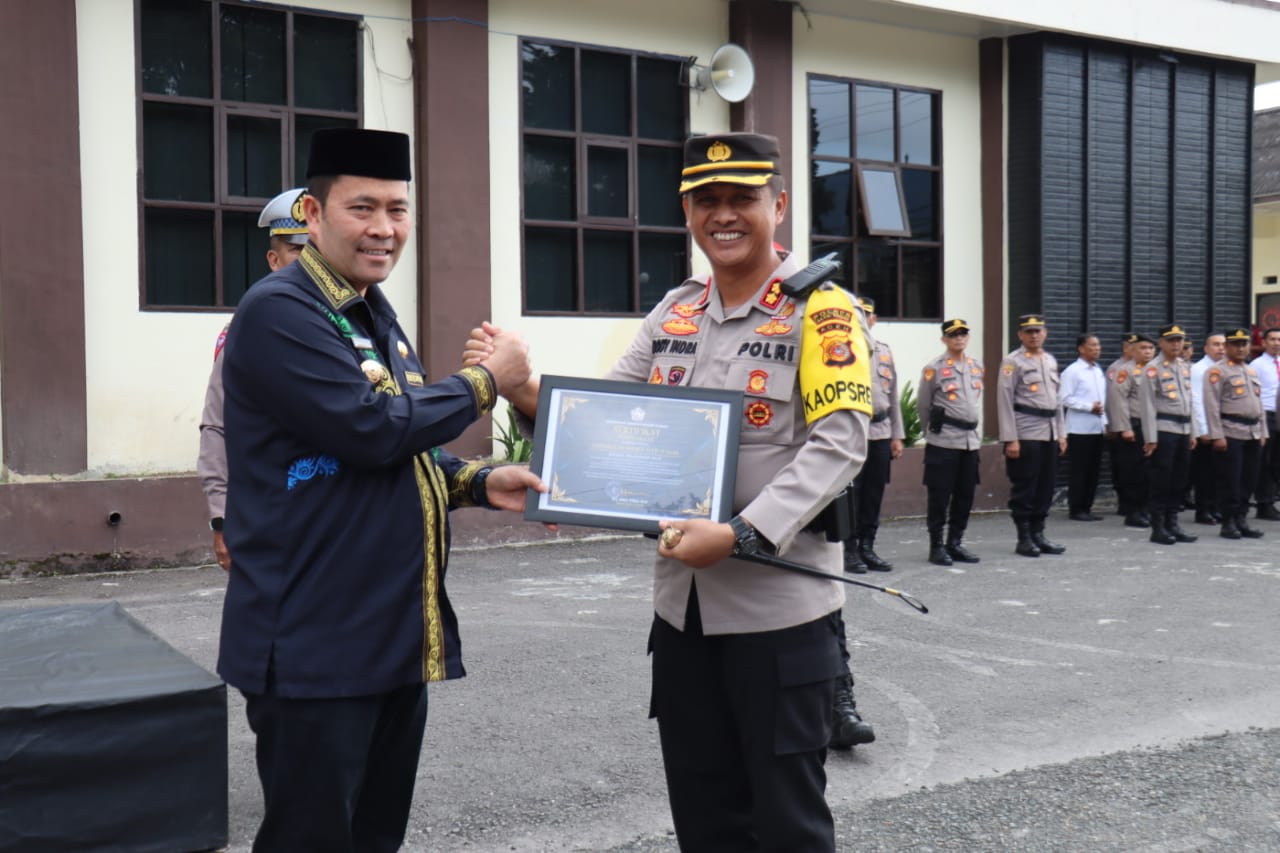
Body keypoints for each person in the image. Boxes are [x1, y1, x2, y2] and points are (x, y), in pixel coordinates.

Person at [469, 132, 873, 851]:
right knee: (704, 809)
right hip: (682, 614)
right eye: (706, 200)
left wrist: (744, 531)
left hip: (778, 616)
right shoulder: (674, 313)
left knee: (788, 823)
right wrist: (519, 382)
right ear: (688, 211)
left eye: (742, 199)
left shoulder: (823, 311)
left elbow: (841, 442)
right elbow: (605, 414)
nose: (724, 214)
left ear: (777, 205)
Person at [217, 128, 545, 852]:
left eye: (397, 210)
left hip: (387, 640)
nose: (383, 229)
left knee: (373, 838)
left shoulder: (371, 312)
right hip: (315, 646)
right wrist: (490, 380)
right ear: (312, 212)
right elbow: (373, 427)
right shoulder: (281, 310)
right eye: (361, 207)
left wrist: (482, 481)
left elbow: (395, 453)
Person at [198, 187, 309, 572]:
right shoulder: (249, 330)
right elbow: (217, 425)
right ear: (274, 259)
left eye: (318, 249)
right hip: (272, 517)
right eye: (297, 250)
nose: (309, 262)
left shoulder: (356, 329)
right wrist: (221, 517)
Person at [997, 314, 1066, 557]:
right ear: (1020, 335)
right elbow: (1004, 401)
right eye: (1029, 331)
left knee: (1045, 486)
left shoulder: (1049, 360)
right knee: (1025, 485)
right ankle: (1024, 537)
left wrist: (1061, 432)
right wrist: (1010, 438)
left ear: (1045, 333)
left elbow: (1057, 400)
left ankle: (1039, 533)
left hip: (1049, 432)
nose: (1034, 335)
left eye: (1038, 331)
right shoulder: (1012, 362)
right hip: (1026, 432)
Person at [842, 295, 903, 572]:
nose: (863, 318)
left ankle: (868, 547)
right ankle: (849, 550)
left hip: (880, 431)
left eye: (867, 314)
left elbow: (893, 398)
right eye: (858, 313)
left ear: (874, 319)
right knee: (852, 494)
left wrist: (897, 435)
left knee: (874, 493)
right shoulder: (841, 349)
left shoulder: (885, 350)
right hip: (854, 431)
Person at [917, 318, 984, 565]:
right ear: (944, 339)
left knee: (965, 495)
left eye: (963, 334)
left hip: (970, 442)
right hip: (944, 442)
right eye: (953, 335)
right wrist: (932, 434)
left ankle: (955, 542)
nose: (959, 338)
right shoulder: (933, 368)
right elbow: (923, 406)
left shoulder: (976, 366)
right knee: (940, 496)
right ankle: (936, 545)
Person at [1204, 328, 1268, 539]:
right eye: (1236, 344)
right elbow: (1211, 405)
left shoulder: (1250, 371)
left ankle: (1242, 519)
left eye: (1244, 344)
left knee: (1248, 479)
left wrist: (1263, 431)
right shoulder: (1217, 371)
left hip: (1252, 432)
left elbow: (1259, 404)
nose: (1241, 348)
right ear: (1227, 347)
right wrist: (1217, 435)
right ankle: (1228, 521)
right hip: (1231, 431)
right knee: (1230, 480)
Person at [1136, 324, 1197, 545]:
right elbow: (1147, 406)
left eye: (1179, 340)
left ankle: (1173, 523)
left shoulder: (1183, 366)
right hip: (1164, 430)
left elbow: (1191, 402)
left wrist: (1194, 432)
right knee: (1161, 480)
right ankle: (1158, 526)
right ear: (1160, 343)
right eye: (1171, 340)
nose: (1176, 344)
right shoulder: (1153, 368)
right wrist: (1151, 438)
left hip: (1183, 430)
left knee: (1179, 480)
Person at [1106, 334, 1156, 528]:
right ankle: (1133, 511)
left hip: (1153, 427)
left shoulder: (1155, 370)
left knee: (1149, 472)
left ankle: (1145, 509)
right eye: (1143, 348)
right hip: (1134, 427)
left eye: (1151, 348)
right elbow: (1118, 401)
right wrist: (1124, 428)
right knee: (1134, 470)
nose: (1147, 352)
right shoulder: (1125, 371)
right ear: (1133, 350)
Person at [1060, 333, 1107, 521]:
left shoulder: (1097, 370)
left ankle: (1087, 506)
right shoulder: (1072, 371)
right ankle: (1077, 508)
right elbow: (1065, 398)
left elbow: (1103, 400)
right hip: (1079, 428)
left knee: (1093, 470)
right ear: (1081, 348)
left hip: (1097, 427)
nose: (1097, 349)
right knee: (1080, 470)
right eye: (1092, 345)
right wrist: (1088, 407)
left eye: (1098, 345)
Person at [1190, 332, 1226, 524]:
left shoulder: (1225, 368)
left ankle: (1215, 507)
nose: (1220, 348)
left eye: (1223, 344)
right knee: (1205, 473)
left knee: (1220, 472)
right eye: (1216, 344)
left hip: (1223, 427)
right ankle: (1203, 509)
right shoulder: (1199, 369)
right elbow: (1196, 400)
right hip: (1207, 429)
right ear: (1206, 348)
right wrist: (1203, 429)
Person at [1105, 333, 1140, 520]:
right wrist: (1115, 425)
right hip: (1122, 425)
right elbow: (1115, 400)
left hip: (1139, 426)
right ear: (1126, 348)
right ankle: (1125, 503)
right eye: (1133, 347)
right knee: (1124, 467)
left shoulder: (1143, 368)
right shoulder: (1117, 369)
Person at [1248, 327, 1280, 520]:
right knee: (1265, 460)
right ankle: (1264, 502)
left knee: (1277, 461)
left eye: (1279, 339)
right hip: (1266, 414)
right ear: (1264, 342)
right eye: (1273, 339)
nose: (1276, 343)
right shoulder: (1257, 365)